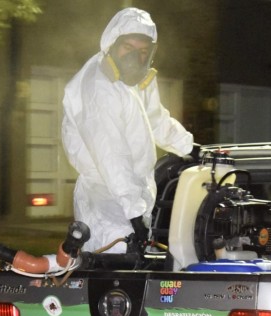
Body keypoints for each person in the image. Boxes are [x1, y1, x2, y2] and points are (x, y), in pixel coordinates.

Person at [62, 7, 194, 253]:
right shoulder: (98, 86)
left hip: (130, 193)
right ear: (112, 44)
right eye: (128, 48)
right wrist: (133, 214)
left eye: (143, 51)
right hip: (104, 195)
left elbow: (154, 119)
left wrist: (187, 147)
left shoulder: (136, 81)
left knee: (137, 269)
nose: (135, 57)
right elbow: (111, 156)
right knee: (116, 259)